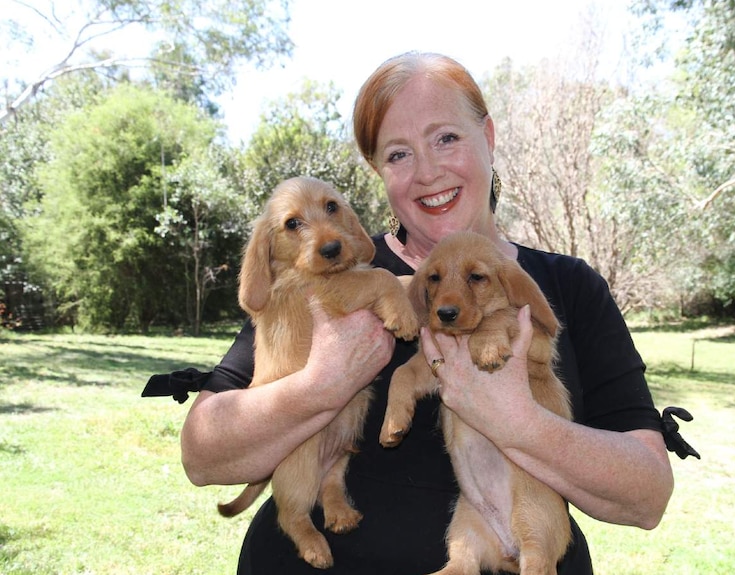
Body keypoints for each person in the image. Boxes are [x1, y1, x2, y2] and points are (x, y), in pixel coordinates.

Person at [178, 52, 676, 574]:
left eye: (446, 139)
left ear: (487, 136)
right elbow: (203, 455)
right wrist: (323, 384)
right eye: (398, 154)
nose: (428, 172)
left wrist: (519, 421)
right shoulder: (332, 272)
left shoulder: (568, 287)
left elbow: (646, 498)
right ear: (378, 171)